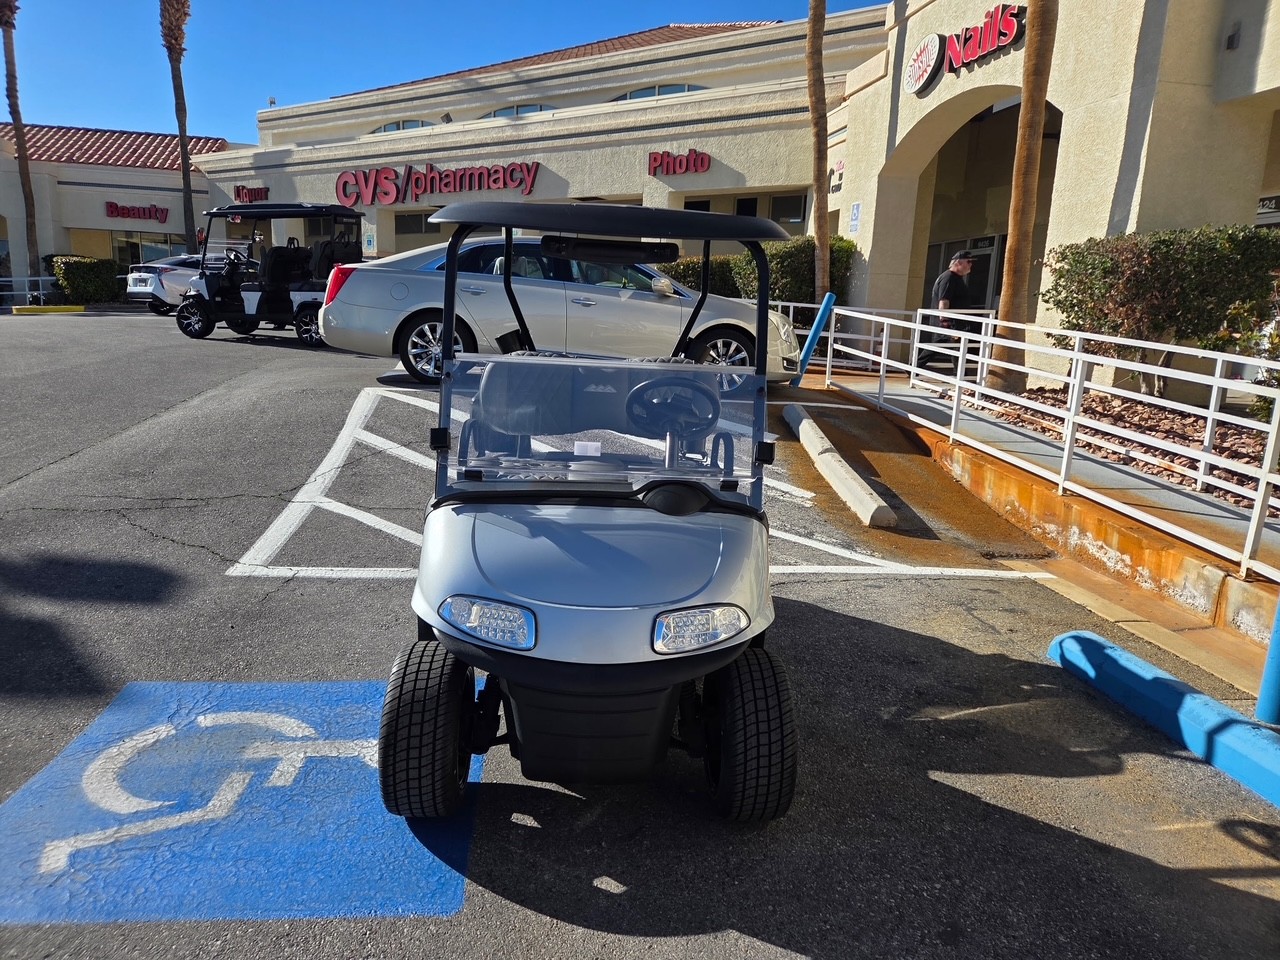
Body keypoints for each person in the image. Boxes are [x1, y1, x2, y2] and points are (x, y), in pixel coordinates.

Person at [920, 250, 976, 371]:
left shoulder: (956, 278)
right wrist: (945, 321)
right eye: (968, 261)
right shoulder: (949, 277)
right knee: (952, 347)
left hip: (956, 322)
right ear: (958, 262)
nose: (971, 264)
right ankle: (961, 376)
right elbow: (944, 300)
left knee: (948, 347)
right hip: (951, 323)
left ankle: (914, 366)